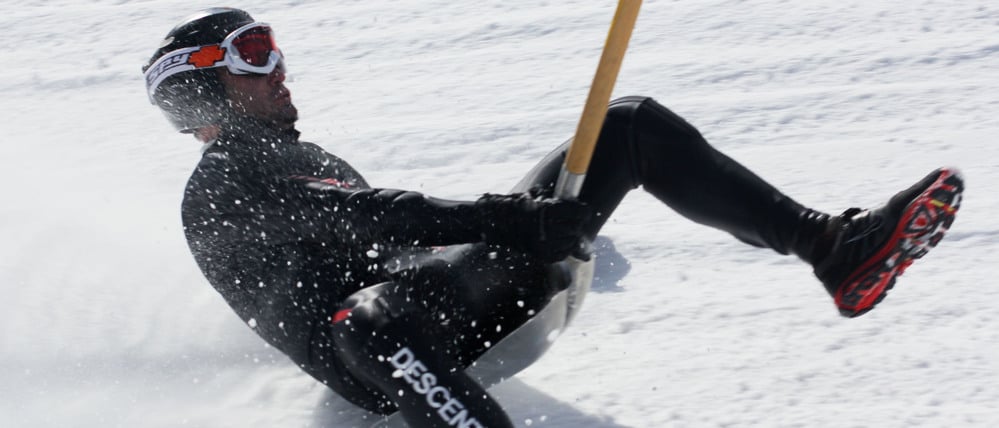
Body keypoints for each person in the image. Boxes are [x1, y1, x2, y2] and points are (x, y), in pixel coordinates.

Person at [143, 8, 963, 428]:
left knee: (624, 124)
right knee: (369, 315)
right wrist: (506, 220)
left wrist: (529, 229)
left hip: (438, 300)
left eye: (274, 47)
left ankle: (835, 248)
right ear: (200, 89)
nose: (279, 69)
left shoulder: (299, 153)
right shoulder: (223, 182)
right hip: (382, 352)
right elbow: (374, 221)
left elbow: (403, 232)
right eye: (254, 57)